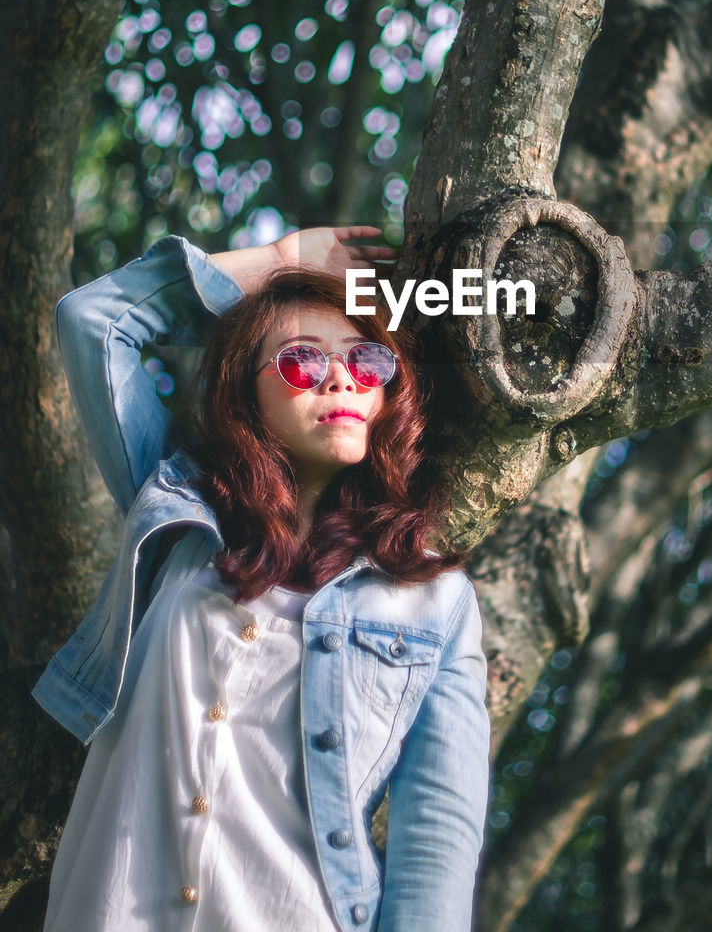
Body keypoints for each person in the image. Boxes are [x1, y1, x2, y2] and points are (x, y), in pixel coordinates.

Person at [33, 225, 491, 932]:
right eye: (303, 360)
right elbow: (92, 321)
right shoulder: (175, 514)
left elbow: (435, 849)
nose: (342, 378)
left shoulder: (434, 600)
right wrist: (275, 264)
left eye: (367, 362)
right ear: (245, 394)